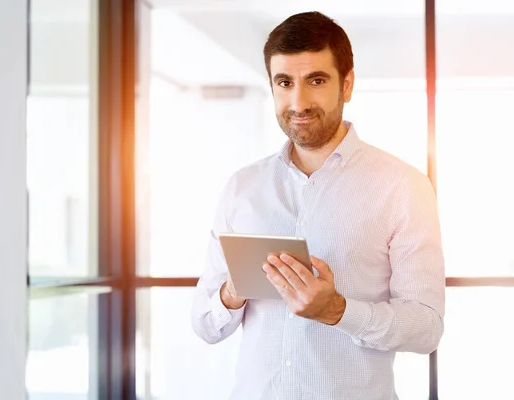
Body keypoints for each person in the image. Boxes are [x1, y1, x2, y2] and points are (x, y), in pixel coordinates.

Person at [191, 11, 445, 400]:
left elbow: (426, 328)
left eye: (316, 80)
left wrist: (338, 311)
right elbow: (206, 325)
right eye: (284, 82)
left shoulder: (403, 187)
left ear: (347, 85)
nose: (298, 102)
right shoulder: (242, 187)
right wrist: (232, 291)